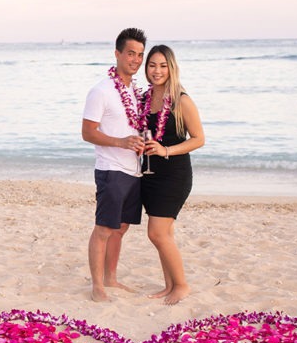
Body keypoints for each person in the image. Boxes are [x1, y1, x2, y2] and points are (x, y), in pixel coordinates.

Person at [81, 27, 148, 302]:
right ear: (117, 53)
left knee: (121, 227)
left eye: (140, 55)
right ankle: (97, 286)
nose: (135, 59)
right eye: (130, 53)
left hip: (134, 170)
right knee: (104, 228)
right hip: (111, 169)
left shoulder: (135, 90)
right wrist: (121, 142)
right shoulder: (101, 90)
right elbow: (88, 132)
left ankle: (111, 278)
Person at [139, 44, 205, 304]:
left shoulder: (182, 100)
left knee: (156, 233)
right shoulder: (144, 99)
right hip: (149, 174)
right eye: (152, 65)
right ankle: (169, 285)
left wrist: (165, 150)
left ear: (172, 68)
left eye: (163, 65)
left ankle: (182, 285)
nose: (157, 71)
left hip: (173, 175)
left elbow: (199, 139)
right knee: (165, 234)